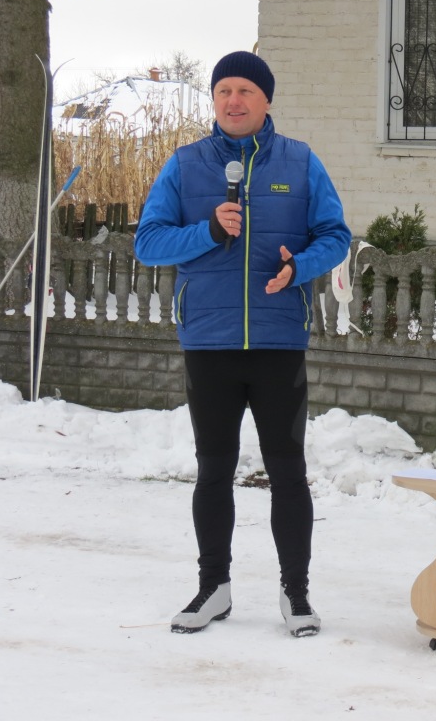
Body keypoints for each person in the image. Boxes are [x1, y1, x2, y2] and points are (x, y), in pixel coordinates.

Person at [134, 51, 351, 638]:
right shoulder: (184, 166)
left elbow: (336, 236)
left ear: (267, 101)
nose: (234, 100)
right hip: (209, 342)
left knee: (288, 469)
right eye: (224, 90)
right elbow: (148, 243)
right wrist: (206, 230)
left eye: (246, 91)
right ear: (213, 100)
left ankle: (296, 594)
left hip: (279, 340)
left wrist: (300, 267)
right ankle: (214, 588)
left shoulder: (301, 163)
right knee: (214, 469)